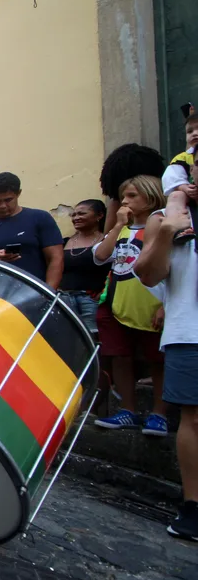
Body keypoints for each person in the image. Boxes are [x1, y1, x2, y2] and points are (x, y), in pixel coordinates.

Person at [134, 177, 198, 540]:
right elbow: (147, 273)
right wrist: (169, 230)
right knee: (194, 417)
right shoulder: (167, 216)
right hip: (191, 329)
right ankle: (193, 504)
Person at [92, 176, 169, 436]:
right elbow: (102, 256)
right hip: (116, 302)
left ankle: (160, 413)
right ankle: (128, 410)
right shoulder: (122, 228)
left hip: (150, 303)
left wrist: (165, 305)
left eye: (132, 195)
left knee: (157, 360)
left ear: (151, 196)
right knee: (120, 357)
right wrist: (117, 226)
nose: (125, 201)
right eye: (124, 196)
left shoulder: (161, 228)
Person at [0, 173, 63, 288]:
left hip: (34, 293)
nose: (2, 206)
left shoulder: (40, 218)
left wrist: (48, 295)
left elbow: (56, 259)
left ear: (18, 193)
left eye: (8, 200)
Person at [59, 199, 108, 336]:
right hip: (65, 298)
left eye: (81, 214)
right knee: (68, 338)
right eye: (73, 215)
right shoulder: (64, 242)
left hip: (91, 299)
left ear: (99, 216)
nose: (76, 218)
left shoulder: (106, 241)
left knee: (92, 338)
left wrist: (103, 293)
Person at [160, 105, 198, 243]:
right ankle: (178, 227)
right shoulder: (182, 158)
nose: (194, 133)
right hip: (189, 194)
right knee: (176, 195)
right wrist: (184, 188)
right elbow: (171, 177)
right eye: (190, 131)